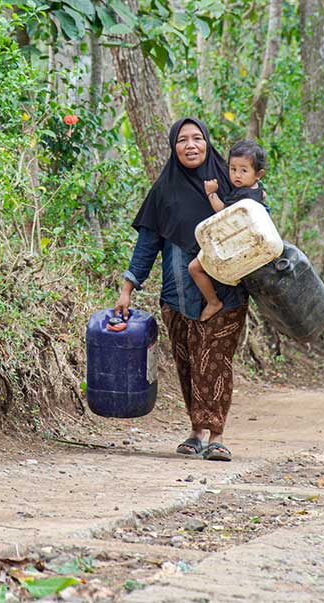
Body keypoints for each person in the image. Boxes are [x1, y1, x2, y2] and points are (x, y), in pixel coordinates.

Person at [113, 118, 249, 462]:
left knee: (215, 362)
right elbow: (146, 245)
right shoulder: (164, 191)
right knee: (188, 363)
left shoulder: (228, 182)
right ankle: (195, 432)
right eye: (182, 140)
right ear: (173, 147)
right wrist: (127, 288)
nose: (191, 145)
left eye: (197, 138)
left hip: (228, 293)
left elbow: (255, 223)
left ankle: (216, 435)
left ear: (207, 143)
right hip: (178, 297)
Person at [187, 140, 268, 322]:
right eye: (233, 169)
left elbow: (223, 211)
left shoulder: (242, 195)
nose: (236, 175)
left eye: (243, 170)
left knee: (194, 268)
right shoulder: (256, 190)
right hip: (243, 245)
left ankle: (213, 302)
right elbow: (263, 196)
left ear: (259, 174)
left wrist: (211, 193)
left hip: (233, 245)